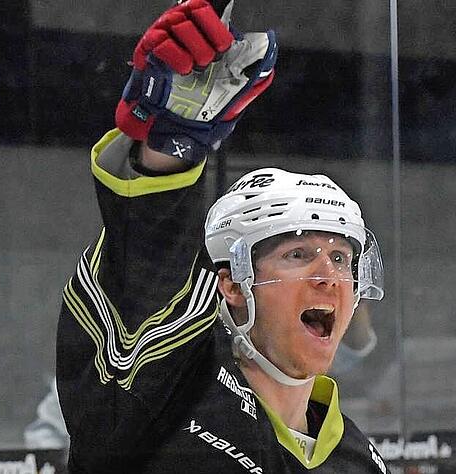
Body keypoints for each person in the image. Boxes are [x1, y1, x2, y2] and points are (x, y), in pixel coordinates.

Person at [55, 1, 389, 472]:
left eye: (340, 257)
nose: (328, 276)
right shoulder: (164, 411)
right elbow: (146, 280)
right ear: (231, 284)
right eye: (297, 253)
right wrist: (168, 152)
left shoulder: (360, 459)